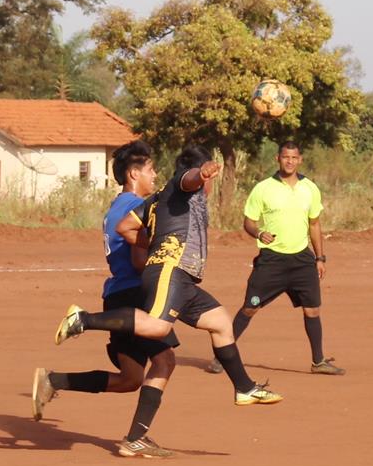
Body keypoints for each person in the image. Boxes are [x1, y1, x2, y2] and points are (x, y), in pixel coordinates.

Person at [54, 144, 283, 406]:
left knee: (219, 323)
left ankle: (244, 387)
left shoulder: (151, 202)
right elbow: (185, 181)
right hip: (158, 278)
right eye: (150, 169)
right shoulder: (178, 188)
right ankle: (83, 320)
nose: (155, 174)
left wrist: (152, 244)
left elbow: (125, 227)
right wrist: (201, 173)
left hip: (172, 278)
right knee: (159, 336)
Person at [32, 140, 179, 458]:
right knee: (165, 360)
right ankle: (136, 439)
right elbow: (140, 261)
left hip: (117, 295)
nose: (155, 175)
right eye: (151, 169)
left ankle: (53, 380)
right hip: (135, 296)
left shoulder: (116, 207)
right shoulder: (133, 208)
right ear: (134, 173)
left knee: (130, 379)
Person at [208, 141, 344, 375]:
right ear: (277, 159)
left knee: (312, 310)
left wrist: (320, 258)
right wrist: (259, 232)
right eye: (285, 157)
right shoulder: (263, 188)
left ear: (300, 160)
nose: (289, 161)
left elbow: (314, 224)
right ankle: (221, 356)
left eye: (294, 157)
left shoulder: (310, 188)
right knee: (250, 308)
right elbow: (249, 221)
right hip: (272, 261)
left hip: (302, 259)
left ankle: (318, 361)